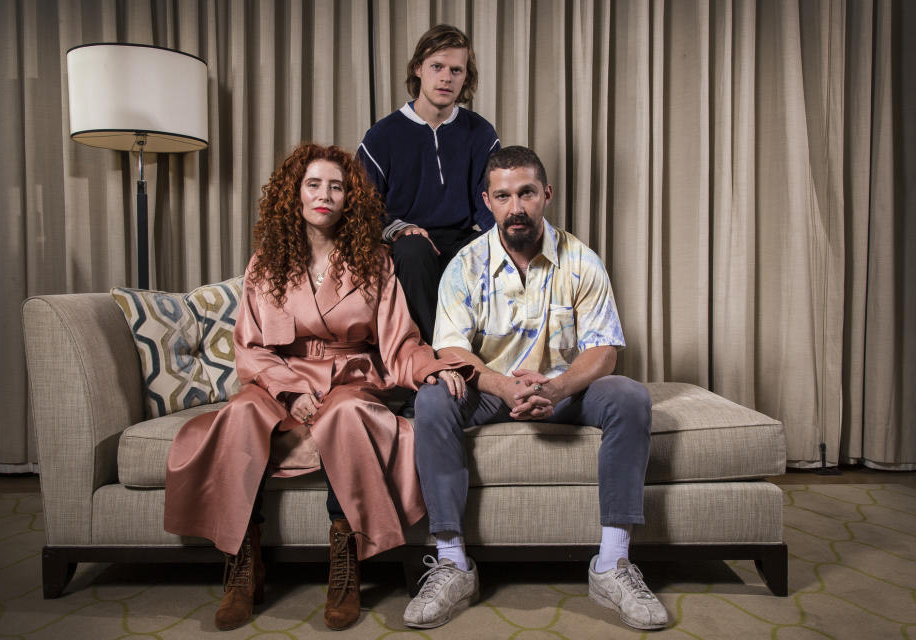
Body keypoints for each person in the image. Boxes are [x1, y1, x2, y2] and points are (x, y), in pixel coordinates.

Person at [163, 144, 469, 632]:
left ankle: (344, 563)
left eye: (337, 186)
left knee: (345, 415)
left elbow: (399, 343)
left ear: (351, 198)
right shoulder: (266, 264)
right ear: (295, 195)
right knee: (240, 414)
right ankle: (244, 565)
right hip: (279, 380)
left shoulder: (375, 262)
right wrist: (288, 389)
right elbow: (250, 347)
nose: (325, 194)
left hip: (350, 380)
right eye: (313, 184)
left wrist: (430, 368)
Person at [403, 146, 669, 631]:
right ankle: (452, 563)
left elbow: (605, 350)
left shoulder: (581, 260)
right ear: (488, 201)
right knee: (432, 397)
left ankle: (612, 564)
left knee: (630, 395)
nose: (516, 207)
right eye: (503, 196)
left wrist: (557, 386)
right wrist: (504, 386)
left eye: (526, 193)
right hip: (489, 388)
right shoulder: (465, 266)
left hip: (564, 391)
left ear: (545, 194)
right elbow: (452, 353)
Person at [357, 23, 500, 355]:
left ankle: (484, 362)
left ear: (466, 77)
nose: (446, 77)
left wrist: (503, 242)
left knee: (492, 251)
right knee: (414, 251)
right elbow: (365, 207)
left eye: (456, 70)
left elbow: (489, 201)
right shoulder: (382, 136)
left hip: (461, 236)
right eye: (437, 67)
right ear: (419, 69)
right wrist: (399, 229)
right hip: (408, 239)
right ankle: (429, 361)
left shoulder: (480, 133)